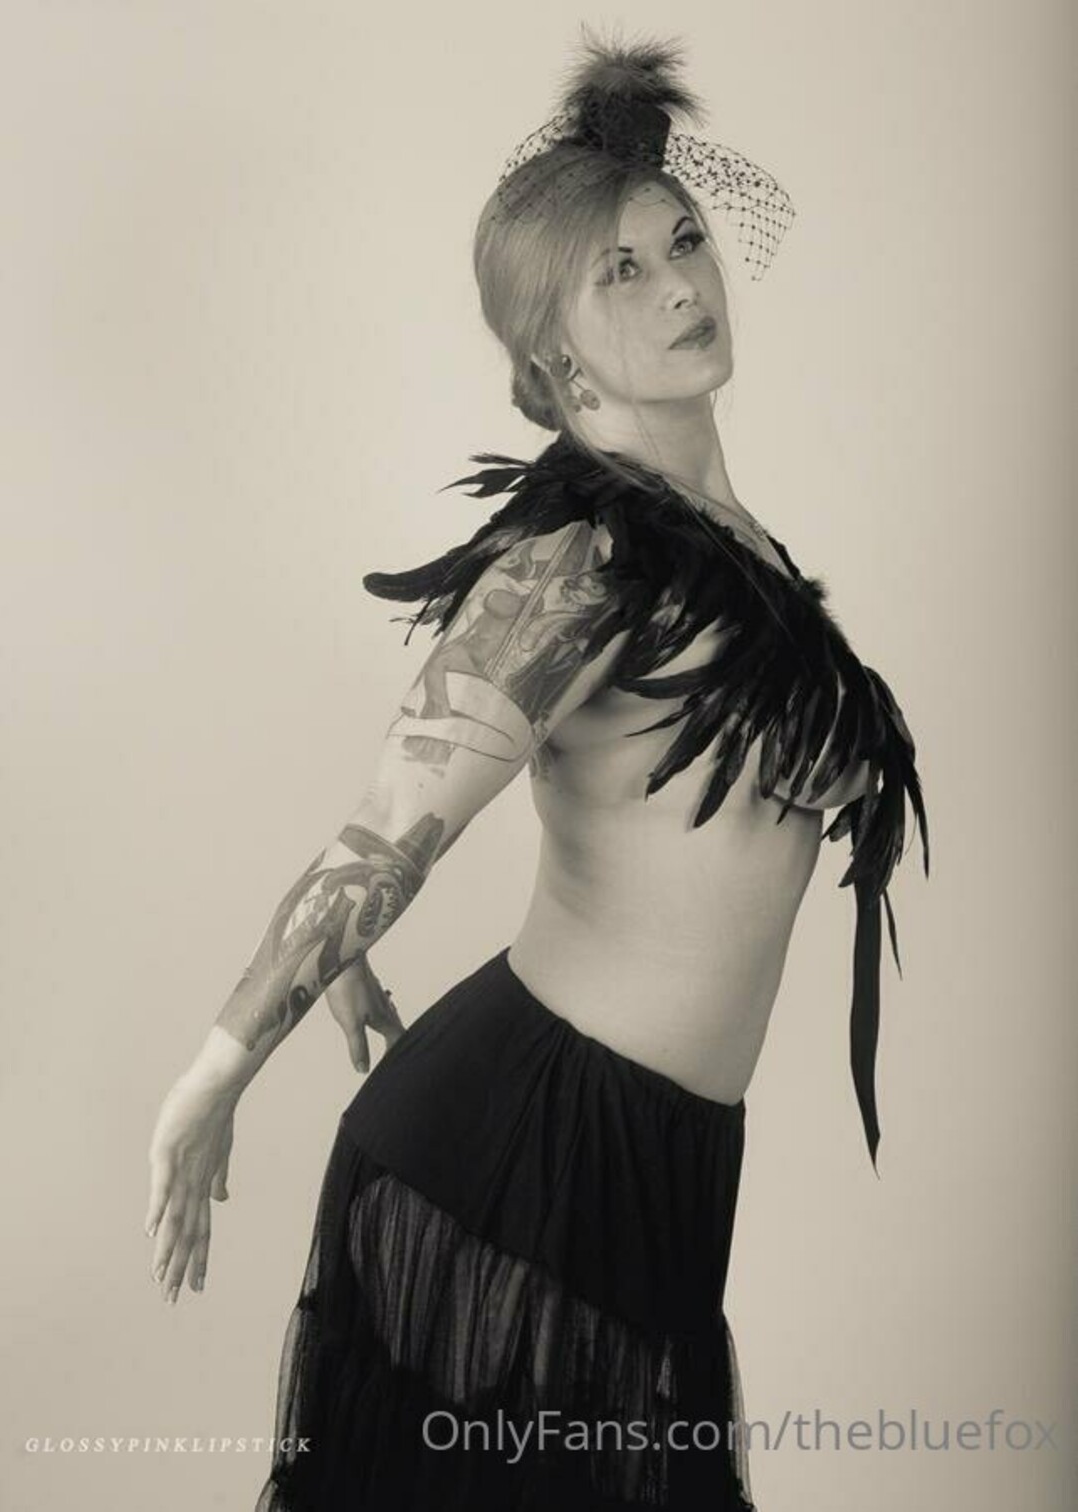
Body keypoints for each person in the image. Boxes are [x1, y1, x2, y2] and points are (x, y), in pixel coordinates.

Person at [145, 29, 929, 1511]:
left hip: (667, 1170)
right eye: (620, 272)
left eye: (682, 242)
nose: (681, 284)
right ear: (556, 354)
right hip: (526, 1153)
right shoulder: (583, 559)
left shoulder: (738, 550)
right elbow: (391, 827)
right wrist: (215, 1073)